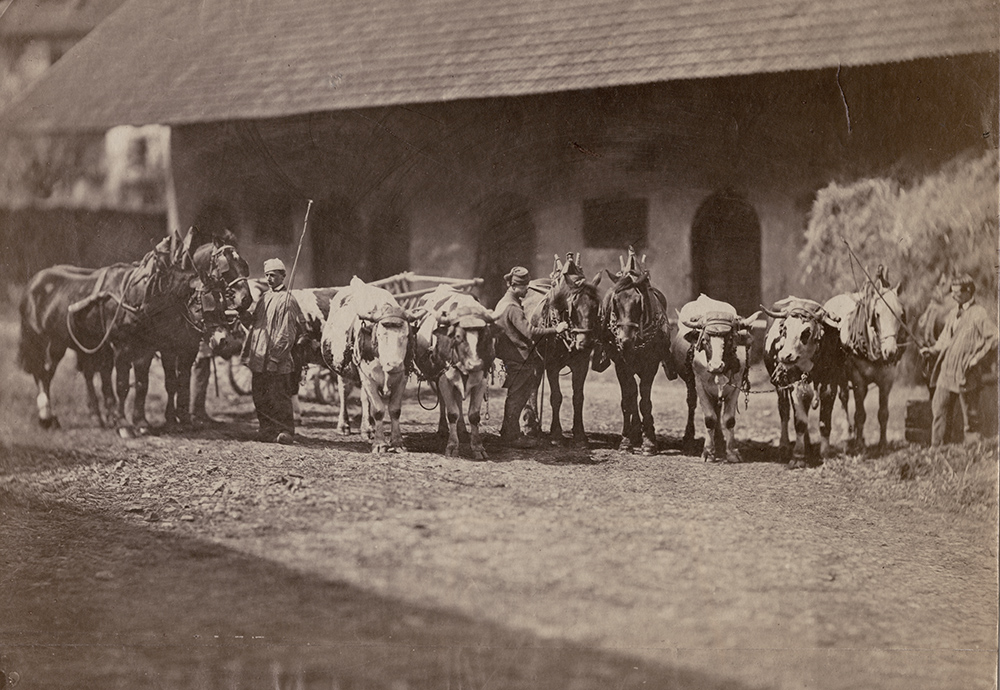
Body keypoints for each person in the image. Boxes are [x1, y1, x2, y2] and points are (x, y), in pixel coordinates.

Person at [492, 266, 568, 448]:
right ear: (514, 286)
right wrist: (555, 329)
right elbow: (530, 331)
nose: (528, 289)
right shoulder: (513, 308)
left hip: (512, 356)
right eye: (524, 286)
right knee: (517, 397)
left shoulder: (504, 302)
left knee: (515, 396)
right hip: (519, 358)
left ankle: (508, 431)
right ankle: (512, 436)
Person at [920, 273, 998, 446]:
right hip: (947, 370)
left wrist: (977, 359)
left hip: (966, 373)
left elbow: (994, 338)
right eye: (952, 292)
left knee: (970, 416)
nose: (953, 296)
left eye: (956, 293)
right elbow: (944, 339)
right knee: (939, 409)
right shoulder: (954, 312)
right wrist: (932, 351)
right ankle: (937, 450)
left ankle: (972, 454)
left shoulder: (979, 313)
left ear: (969, 291)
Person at [241, 259, 306, 444]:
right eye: (267, 275)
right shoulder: (264, 298)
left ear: (283, 276)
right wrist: (242, 314)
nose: (269, 279)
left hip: (277, 359)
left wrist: (275, 359)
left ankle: (285, 430)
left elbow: (287, 333)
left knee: (279, 395)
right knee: (260, 395)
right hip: (259, 356)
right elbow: (255, 324)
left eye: (273, 275)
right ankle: (266, 429)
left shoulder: (288, 300)